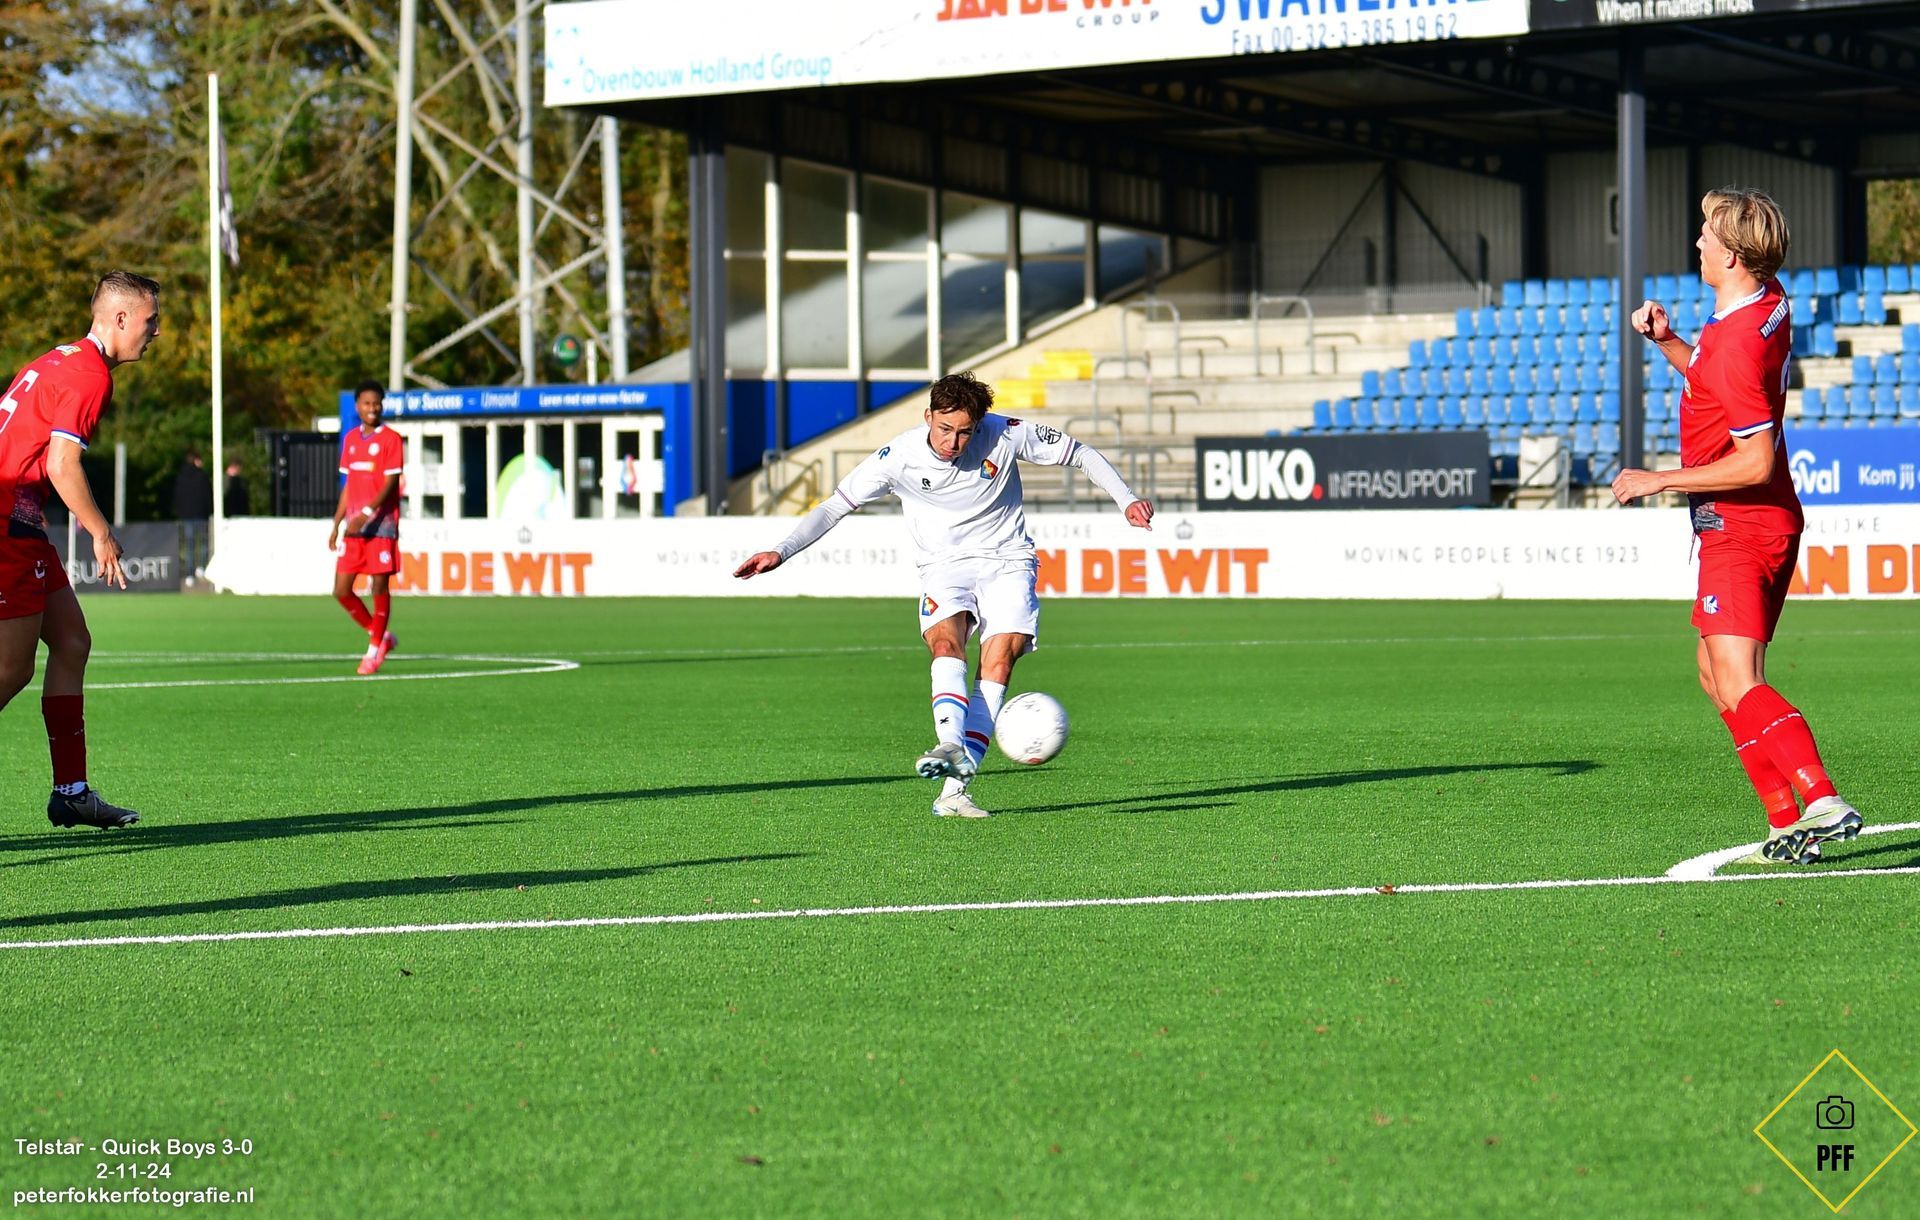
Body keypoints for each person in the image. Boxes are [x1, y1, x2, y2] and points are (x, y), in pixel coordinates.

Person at [734, 371, 1153, 818]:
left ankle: (954, 793)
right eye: (945, 428)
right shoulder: (898, 457)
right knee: (946, 643)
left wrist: (1125, 499)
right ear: (928, 416)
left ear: (979, 425)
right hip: (943, 567)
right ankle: (951, 744)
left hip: (1008, 560)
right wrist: (781, 551)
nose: (953, 442)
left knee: (999, 661)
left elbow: (1079, 453)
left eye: (964, 432)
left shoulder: (1006, 433)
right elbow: (835, 505)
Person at [1611, 187, 1861, 865]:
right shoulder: (1767, 300)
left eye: (1708, 235)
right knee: (1713, 673)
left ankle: (1820, 799)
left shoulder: (1736, 345)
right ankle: (1786, 823)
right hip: (1757, 518)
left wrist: (1659, 478)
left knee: (1738, 677)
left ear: (1732, 257)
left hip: (1743, 522)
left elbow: (1753, 460)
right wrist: (1669, 342)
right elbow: (1716, 382)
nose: (1698, 242)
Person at [0, 270, 160, 830]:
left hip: (21, 523)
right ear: (120, 318)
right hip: (7, 526)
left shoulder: (59, 358)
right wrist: (99, 531)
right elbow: (60, 464)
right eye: (150, 321)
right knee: (11, 670)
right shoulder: (90, 374)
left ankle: (71, 793)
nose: (155, 332)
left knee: (72, 641)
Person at [328, 381, 404, 675]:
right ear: (357, 406)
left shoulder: (391, 439)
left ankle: (373, 653)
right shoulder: (350, 440)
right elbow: (349, 486)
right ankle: (381, 635)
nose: (372, 408)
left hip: (381, 526)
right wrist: (337, 523)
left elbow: (391, 483)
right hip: (354, 528)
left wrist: (368, 513)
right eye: (367, 403)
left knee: (378, 586)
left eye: (377, 403)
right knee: (341, 590)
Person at [171, 449, 213, 583]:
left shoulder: (181, 476)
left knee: (189, 544)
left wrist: (180, 512)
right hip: (201, 514)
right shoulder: (202, 476)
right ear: (196, 460)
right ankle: (201, 567)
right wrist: (209, 511)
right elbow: (208, 496)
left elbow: (177, 497)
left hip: (186, 516)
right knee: (204, 542)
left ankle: (190, 574)